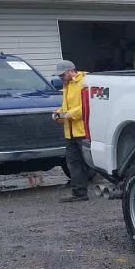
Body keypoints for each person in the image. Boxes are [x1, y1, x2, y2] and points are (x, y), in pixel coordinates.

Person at [52, 60, 91, 202]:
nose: (60, 78)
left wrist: (70, 114)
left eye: (62, 75)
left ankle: (118, 186)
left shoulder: (84, 82)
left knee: (92, 162)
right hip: (70, 132)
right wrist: (59, 114)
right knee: (74, 163)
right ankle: (79, 193)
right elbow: (66, 107)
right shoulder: (67, 85)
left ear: (71, 71)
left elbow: (88, 105)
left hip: (83, 131)